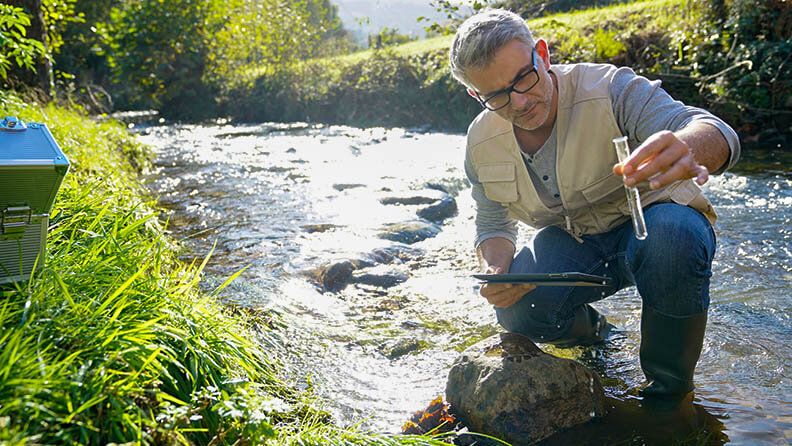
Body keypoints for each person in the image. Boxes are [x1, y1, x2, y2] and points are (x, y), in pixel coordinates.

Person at [450, 9, 740, 400]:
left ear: (542, 54)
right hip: (577, 243)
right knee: (517, 311)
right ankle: (596, 337)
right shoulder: (479, 142)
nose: (518, 101)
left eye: (523, 78)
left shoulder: (610, 88)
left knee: (673, 238)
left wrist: (688, 146)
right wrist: (496, 268)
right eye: (498, 96)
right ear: (475, 95)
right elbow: (492, 223)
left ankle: (668, 393)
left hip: (653, 224)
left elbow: (714, 130)